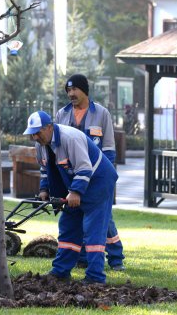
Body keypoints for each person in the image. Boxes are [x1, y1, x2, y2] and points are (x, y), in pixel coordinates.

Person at [24, 110, 118, 285]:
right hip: (77, 184)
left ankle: (95, 277)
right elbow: (45, 169)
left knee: (93, 230)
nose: (35, 137)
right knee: (68, 226)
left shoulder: (70, 138)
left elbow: (84, 168)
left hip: (99, 181)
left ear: (49, 127)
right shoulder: (41, 144)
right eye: (32, 134)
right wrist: (44, 189)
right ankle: (60, 271)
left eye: (38, 132)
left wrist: (75, 192)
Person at [55, 73, 126, 271]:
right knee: (81, 216)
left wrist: (107, 177)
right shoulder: (62, 114)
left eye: (74, 89)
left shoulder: (101, 113)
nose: (71, 94)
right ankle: (84, 257)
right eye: (68, 90)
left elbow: (109, 148)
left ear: (84, 90)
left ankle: (115, 257)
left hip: (98, 176)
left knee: (104, 217)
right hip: (76, 178)